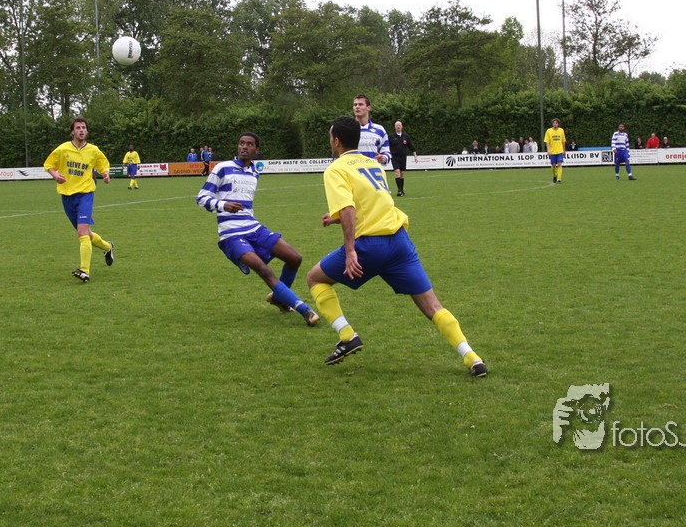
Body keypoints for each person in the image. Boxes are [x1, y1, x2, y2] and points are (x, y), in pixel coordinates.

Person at [305, 116, 487, 376]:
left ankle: (347, 335)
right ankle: (471, 357)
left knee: (314, 278)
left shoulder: (336, 169)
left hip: (370, 246)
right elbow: (373, 202)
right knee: (432, 306)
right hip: (400, 242)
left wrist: (350, 250)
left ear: (336, 141)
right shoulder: (373, 164)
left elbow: (348, 208)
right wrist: (335, 218)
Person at [196, 132, 319, 326]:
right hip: (231, 234)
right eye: (241, 143)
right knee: (263, 269)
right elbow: (201, 198)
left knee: (294, 258)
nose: (244, 147)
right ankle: (305, 310)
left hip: (253, 227)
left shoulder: (254, 172)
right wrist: (223, 205)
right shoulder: (222, 168)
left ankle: (279, 298)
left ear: (257, 150)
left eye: (249, 144)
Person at [44, 117, 115, 283]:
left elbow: (103, 164)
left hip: (85, 194)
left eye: (84, 127)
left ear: (87, 131)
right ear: (72, 132)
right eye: (78, 128)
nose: (81, 130)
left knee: (81, 232)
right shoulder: (63, 149)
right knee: (86, 234)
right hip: (67, 196)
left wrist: (105, 174)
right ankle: (107, 246)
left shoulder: (93, 150)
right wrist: (55, 175)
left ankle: (84, 271)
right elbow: (49, 165)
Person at [352, 94, 391, 165]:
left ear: (368, 108)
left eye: (360, 104)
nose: (357, 107)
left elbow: (386, 151)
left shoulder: (380, 129)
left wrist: (384, 158)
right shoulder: (347, 129)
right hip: (352, 170)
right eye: (355, 105)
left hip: (372, 170)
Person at [388, 120, 417, 197]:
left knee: (402, 174)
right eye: (397, 125)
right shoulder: (391, 136)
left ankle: (401, 190)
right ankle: (399, 190)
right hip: (394, 157)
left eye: (399, 125)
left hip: (403, 157)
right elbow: (386, 146)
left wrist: (415, 156)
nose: (398, 126)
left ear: (402, 126)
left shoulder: (405, 136)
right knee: (397, 172)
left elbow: (411, 146)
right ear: (394, 127)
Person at [543, 118, 567, 184]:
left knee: (559, 163)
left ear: (558, 124)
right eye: (554, 123)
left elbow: (563, 141)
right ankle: (554, 175)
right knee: (553, 165)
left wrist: (564, 150)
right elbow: (547, 142)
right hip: (552, 151)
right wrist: (548, 150)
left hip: (560, 151)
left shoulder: (561, 130)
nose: (555, 124)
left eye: (556, 123)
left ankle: (559, 179)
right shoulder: (548, 131)